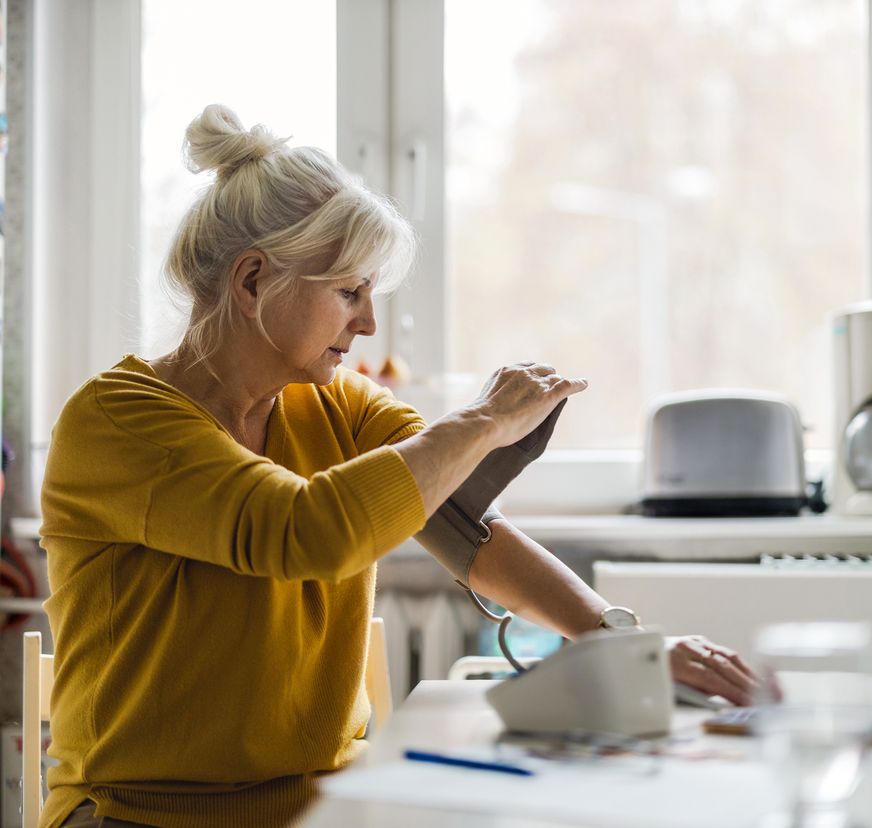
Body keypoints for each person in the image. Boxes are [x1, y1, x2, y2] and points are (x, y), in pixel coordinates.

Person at [39, 104, 756, 828]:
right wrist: (480, 422)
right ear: (252, 281)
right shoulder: (119, 423)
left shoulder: (339, 408)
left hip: (324, 806)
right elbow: (302, 533)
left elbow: (459, 520)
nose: (368, 323)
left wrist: (624, 645)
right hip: (139, 816)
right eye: (348, 292)